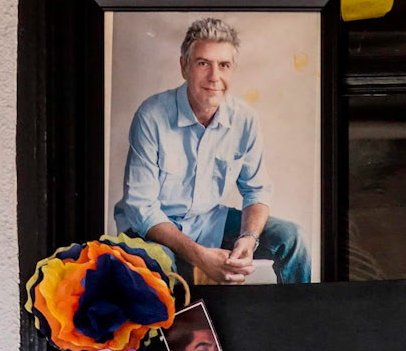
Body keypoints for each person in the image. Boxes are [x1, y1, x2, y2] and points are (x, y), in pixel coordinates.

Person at [114, 16, 312, 286]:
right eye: (203, 63)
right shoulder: (151, 116)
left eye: (224, 65)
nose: (214, 77)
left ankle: (299, 324)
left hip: (209, 221)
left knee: (293, 238)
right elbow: (141, 208)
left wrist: (248, 238)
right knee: (163, 266)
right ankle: (182, 330)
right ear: (184, 67)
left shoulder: (245, 120)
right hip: (150, 229)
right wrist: (201, 257)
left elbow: (256, 191)